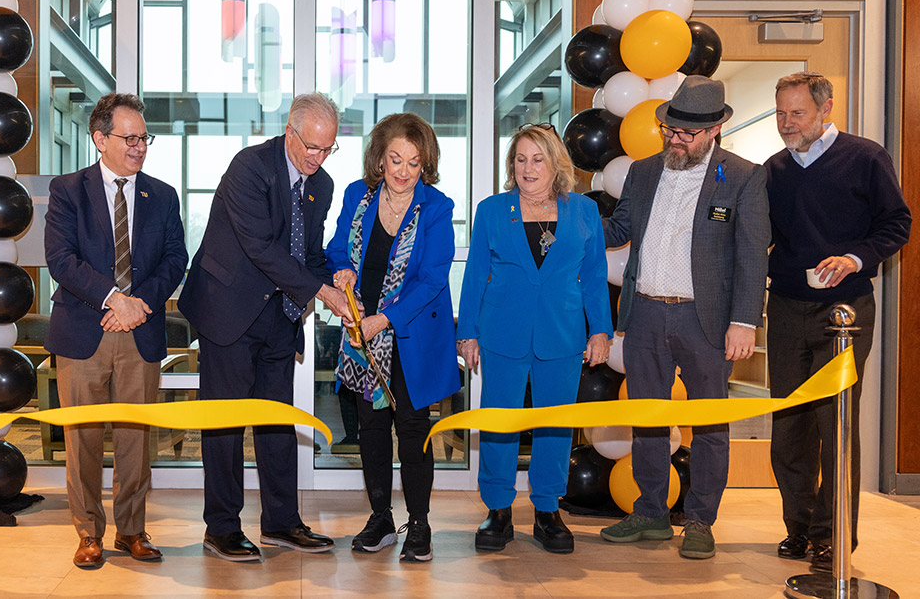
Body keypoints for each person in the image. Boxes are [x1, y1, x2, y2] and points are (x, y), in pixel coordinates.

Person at [177, 92, 353, 562]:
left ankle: (281, 521)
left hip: (279, 316)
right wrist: (319, 292)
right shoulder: (250, 167)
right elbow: (261, 247)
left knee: (277, 422)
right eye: (311, 148)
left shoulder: (323, 184)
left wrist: (331, 278)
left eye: (328, 149)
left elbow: (307, 252)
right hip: (227, 311)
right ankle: (222, 528)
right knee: (225, 424)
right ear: (290, 132)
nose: (318, 159)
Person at [600, 75, 770, 560]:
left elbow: (753, 255)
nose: (674, 139)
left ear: (714, 129)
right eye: (669, 129)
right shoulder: (645, 171)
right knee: (647, 419)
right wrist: (566, 214)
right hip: (647, 314)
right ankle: (651, 512)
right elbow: (620, 228)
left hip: (708, 321)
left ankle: (699, 520)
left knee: (710, 424)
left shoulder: (743, 176)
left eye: (685, 134)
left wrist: (745, 321)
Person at [765, 71, 911, 572]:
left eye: (796, 113)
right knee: (788, 429)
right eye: (780, 112)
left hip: (844, 313)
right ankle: (799, 528)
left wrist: (855, 257)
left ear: (826, 109)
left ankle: (834, 535)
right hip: (784, 308)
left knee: (837, 426)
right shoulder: (774, 169)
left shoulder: (866, 157)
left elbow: (898, 224)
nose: (786, 123)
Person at [44, 93, 187, 569]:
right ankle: (88, 532)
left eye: (144, 137)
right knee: (81, 439)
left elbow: (175, 260)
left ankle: (132, 531)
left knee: (135, 440)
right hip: (85, 329)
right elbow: (61, 259)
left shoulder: (162, 195)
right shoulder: (68, 190)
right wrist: (114, 299)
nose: (140, 146)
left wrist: (139, 305)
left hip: (139, 330)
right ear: (99, 139)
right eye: (130, 138)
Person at [456, 123, 612, 554]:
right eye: (520, 159)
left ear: (555, 163)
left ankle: (547, 509)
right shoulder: (491, 210)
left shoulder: (583, 211)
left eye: (537, 158)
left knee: (555, 425)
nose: (528, 168)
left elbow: (595, 277)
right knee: (499, 423)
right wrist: (466, 331)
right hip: (502, 333)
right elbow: (474, 277)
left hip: (562, 334)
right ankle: (498, 510)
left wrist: (600, 328)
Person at [325, 113, 460, 562]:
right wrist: (341, 267)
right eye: (395, 159)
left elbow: (431, 279)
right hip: (361, 335)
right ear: (379, 158)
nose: (403, 172)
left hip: (411, 335)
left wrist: (383, 319)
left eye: (414, 163)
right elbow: (336, 247)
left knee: (414, 429)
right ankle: (381, 516)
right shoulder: (356, 195)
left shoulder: (437, 208)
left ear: (426, 166)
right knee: (371, 428)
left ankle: (419, 525)